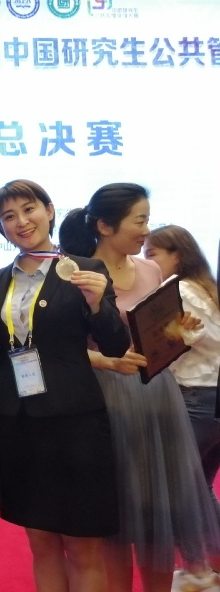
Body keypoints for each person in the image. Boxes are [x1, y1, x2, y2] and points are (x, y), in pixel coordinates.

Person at [59, 184, 220, 592]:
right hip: (104, 399)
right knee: (115, 517)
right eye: (140, 220)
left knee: (156, 513)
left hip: (157, 396)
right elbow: (64, 348)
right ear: (105, 226)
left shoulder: (150, 271)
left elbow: (154, 336)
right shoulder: (76, 274)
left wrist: (178, 332)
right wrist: (107, 360)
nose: (146, 230)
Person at [0, 179, 130, 592]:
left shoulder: (85, 269)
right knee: (42, 544)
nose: (21, 221)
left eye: (28, 209)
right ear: (1, 228)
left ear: (49, 210)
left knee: (83, 548)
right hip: (19, 424)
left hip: (75, 425)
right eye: (8, 216)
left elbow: (115, 345)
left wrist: (97, 304)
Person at [143, 225, 220, 580]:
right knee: (200, 487)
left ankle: (198, 568)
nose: (147, 262)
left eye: (152, 254)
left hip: (195, 396)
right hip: (211, 396)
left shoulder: (178, 291)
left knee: (181, 491)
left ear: (177, 255)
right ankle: (206, 565)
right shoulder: (207, 288)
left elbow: (190, 339)